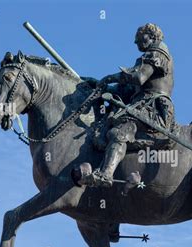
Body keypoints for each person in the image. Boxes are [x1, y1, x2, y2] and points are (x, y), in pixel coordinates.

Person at [73, 23, 176, 188]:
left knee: (120, 132)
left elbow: (139, 77)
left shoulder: (157, 53)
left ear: (152, 36)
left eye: (139, 37)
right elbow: (129, 88)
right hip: (143, 102)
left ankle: (105, 174)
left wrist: (109, 78)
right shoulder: (151, 55)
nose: (136, 42)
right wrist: (103, 86)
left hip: (152, 106)